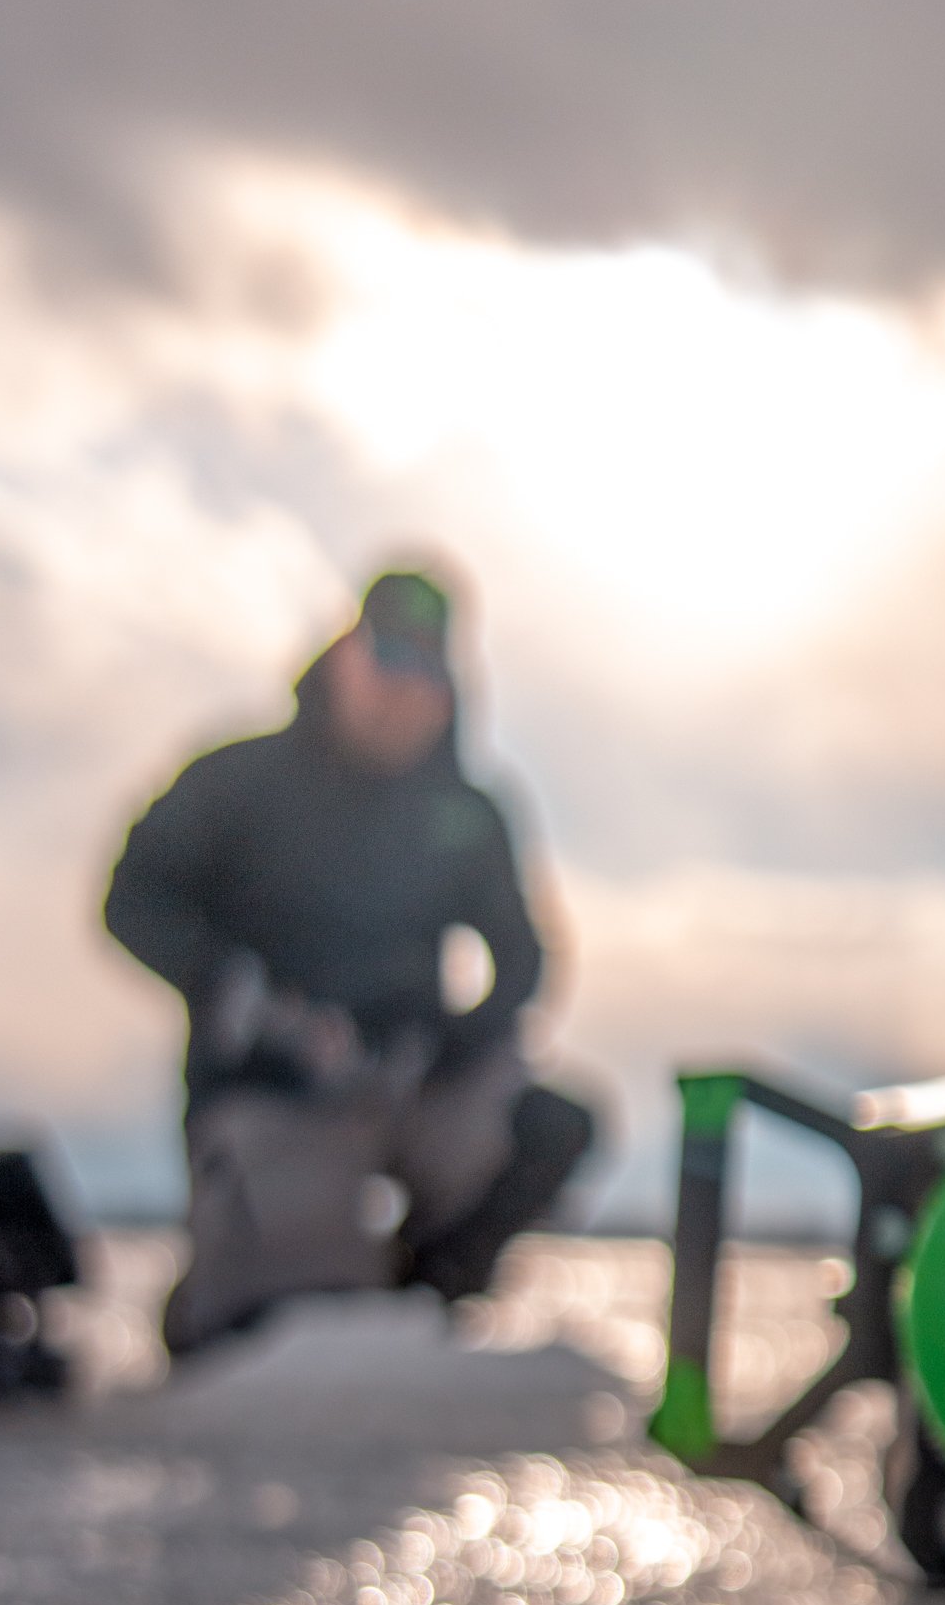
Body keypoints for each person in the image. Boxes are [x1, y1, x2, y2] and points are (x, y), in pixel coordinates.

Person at [104, 565, 596, 1356]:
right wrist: (242, 999)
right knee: (272, 1342)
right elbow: (131, 897)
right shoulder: (238, 780)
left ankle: (430, 1294)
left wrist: (446, 1041)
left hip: (407, 1086)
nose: (403, 691)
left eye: (427, 669)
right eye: (387, 661)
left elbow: (523, 957)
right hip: (273, 1091)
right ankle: (258, 1277)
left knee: (550, 1122)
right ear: (343, 658)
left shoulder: (467, 812)